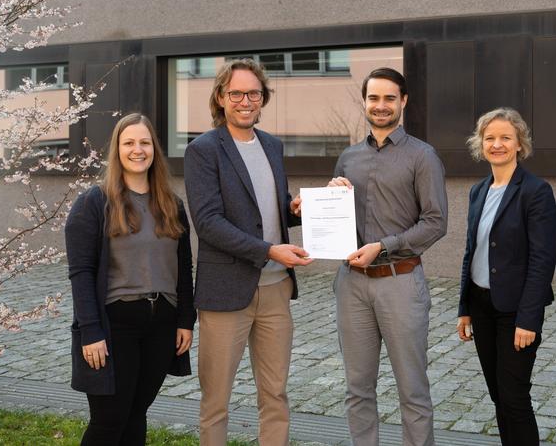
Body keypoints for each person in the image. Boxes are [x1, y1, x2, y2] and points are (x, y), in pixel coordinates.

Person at [184, 59, 311, 446]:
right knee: (216, 401)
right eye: (236, 93)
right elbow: (208, 223)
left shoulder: (272, 145)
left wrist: (295, 210)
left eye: (253, 93)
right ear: (221, 97)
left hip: (275, 292)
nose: (245, 101)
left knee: (275, 395)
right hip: (226, 293)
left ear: (263, 98)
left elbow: (269, 209)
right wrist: (271, 250)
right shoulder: (203, 150)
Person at [319, 67, 447, 445]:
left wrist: (384, 245)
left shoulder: (423, 156)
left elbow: (436, 222)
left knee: (413, 391)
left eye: (389, 98)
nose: (381, 105)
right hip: (352, 286)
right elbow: (336, 220)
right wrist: (330, 195)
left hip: (401, 282)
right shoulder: (347, 158)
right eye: (373, 98)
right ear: (364, 102)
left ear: (403, 101)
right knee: (357, 389)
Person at [66, 113, 196, 445]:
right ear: (117, 150)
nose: (137, 150)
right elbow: (81, 274)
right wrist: (90, 331)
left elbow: (183, 267)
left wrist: (185, 320)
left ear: (154, 149)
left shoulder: (171, 204)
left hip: (161, 323)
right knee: (109, 421)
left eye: (144, 142)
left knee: (137, 414)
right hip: (115, 324)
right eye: (129, 143)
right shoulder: (94, 203)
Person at [456, 108, 556, 446]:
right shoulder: (478, 191)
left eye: (505, 138)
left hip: (517, 311)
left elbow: (543, 260)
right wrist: (464, 307)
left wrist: (529, 319)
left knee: (514, 397)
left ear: (519, 144)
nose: (496, 144)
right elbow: (472, 251)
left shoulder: (535, 191)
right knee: (499, 395)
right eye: (490, 138)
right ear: (480, 144)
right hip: (483, 306)